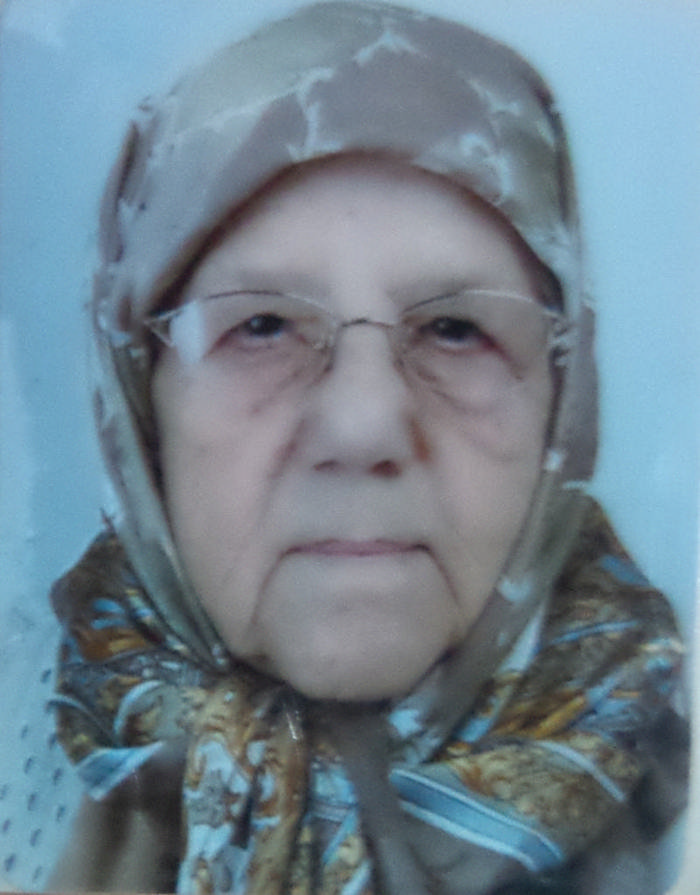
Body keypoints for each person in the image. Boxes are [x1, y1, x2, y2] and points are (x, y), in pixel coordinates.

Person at [46, 2, 688, 893]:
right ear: (142, 411)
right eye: (262, 325)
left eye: (456, 329)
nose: (363, 424)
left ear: (560, 403)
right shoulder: (32, 796)